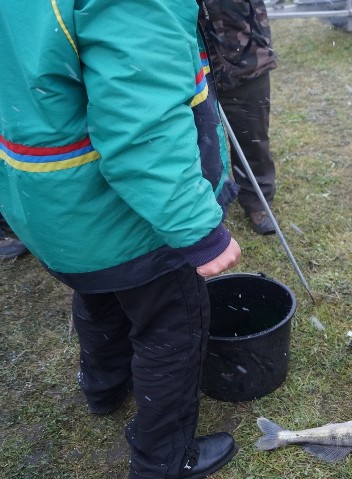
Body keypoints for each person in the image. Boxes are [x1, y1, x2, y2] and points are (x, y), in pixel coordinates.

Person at [1, 1, 242, 478]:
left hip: (48, 201)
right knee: (172, 326)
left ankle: (103, 386)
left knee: (100, 291)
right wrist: (196, 227)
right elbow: (141, 121)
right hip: (122, 210)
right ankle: (163, 460)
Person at [198, 0, 279, 235]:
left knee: (251, 134)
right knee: (197, 138)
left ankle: (257, 199)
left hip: (246, 54)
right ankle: (202, 203)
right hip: (190, 62)